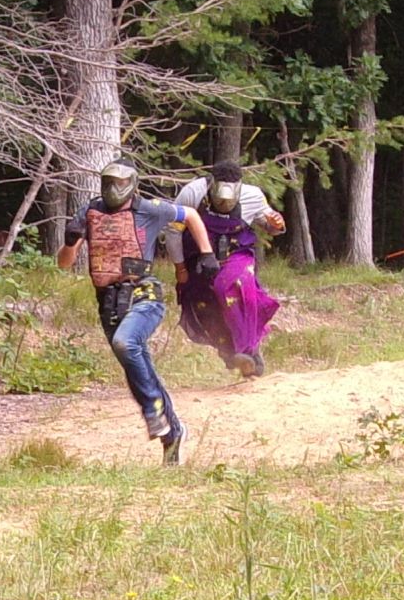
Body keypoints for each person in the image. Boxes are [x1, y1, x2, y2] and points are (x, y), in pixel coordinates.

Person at [58, 158, 220, 465]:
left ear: (132, 184)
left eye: (120, 183)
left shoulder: (148, 209)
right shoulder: (89, 212)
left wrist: (207, 253)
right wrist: (70, 241)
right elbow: (64, 263)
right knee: (138, 371)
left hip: (143, 294)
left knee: (126, 343)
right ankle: (172, 433)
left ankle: (153, 412)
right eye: (109, 183)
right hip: (108, 302)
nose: (114, 189)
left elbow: (190, 215)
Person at [164, 160, 286, 378]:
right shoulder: (192, 193)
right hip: (199, 255)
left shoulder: (253, 195)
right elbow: (173, 231)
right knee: (205, 304)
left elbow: (269, 224)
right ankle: (231, 353)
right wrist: (180, 268)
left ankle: (250, 350)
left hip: (236, 252)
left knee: (232, 287)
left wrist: (277, 224)